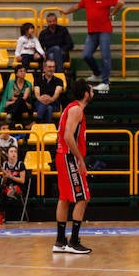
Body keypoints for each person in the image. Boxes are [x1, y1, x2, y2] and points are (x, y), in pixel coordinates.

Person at [61, 0, 124, 92]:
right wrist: (66, 11)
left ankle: (105, 82)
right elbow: (77, 6)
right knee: (86, 55)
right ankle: (97, 73)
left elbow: (120, 2)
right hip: (92, 31)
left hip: (104, 30)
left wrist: (112, 13)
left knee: (105, 56)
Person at [54, 78, 94, 254]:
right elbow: (69, 136)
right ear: (86, 94)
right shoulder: (77, 109)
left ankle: (60, 241)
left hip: (62, 155)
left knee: (64, 198)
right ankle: (74, 241)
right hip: (69, 156)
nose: (93, 93)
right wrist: (80, 159)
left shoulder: (70, 107)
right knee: (83, 197)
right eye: (91, 90)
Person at [0, 145, 26, 224]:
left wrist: (11, 176)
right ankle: (1, 216)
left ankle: (1, 216)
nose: (14, 153)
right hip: (8, 186)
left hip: (19, 187)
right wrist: (5, 177)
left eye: (15, 152)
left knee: (6, 192)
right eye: (11, 151)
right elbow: (4, 181)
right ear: (7, 154)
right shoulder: (5, 165)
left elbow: (22, 180)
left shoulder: (20, 164)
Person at [34, 59, 65, 124]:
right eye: (49, 67)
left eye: (53, 67)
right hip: (40, 103)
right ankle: (48, 127)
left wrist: (50, 99)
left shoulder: (59, 81)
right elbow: (37, 93)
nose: (52, 69)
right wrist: (41, 99)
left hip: (54, 104)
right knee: (48, 108)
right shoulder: (38, 80)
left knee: (48, 107)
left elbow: (57, 93)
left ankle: (37, 122)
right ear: (44, 68)